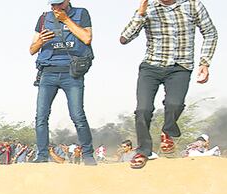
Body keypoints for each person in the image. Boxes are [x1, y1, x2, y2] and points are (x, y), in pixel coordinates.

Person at [121, 0, 218, 169]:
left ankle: (167, 131)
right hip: (151, 66)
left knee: (175, 104)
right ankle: (144, 151)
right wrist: (141, 12)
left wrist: (205, 63)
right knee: (143, 109)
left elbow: (210, 33)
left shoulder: (193, 5)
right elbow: (125, 38)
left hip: (180, 67)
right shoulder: (148, 7)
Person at [31, 1, 97, 165]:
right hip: (48, 72)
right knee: (41, 116)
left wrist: (66, 20)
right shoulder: (43, 18)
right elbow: (32, 49)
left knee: (77, 115)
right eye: (53, 4)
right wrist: (40, 41)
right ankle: (41, 156)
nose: (55, 7)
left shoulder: (81, 14)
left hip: (71, 72)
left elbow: (87, 38)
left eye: (59, 3)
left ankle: (88, 155)